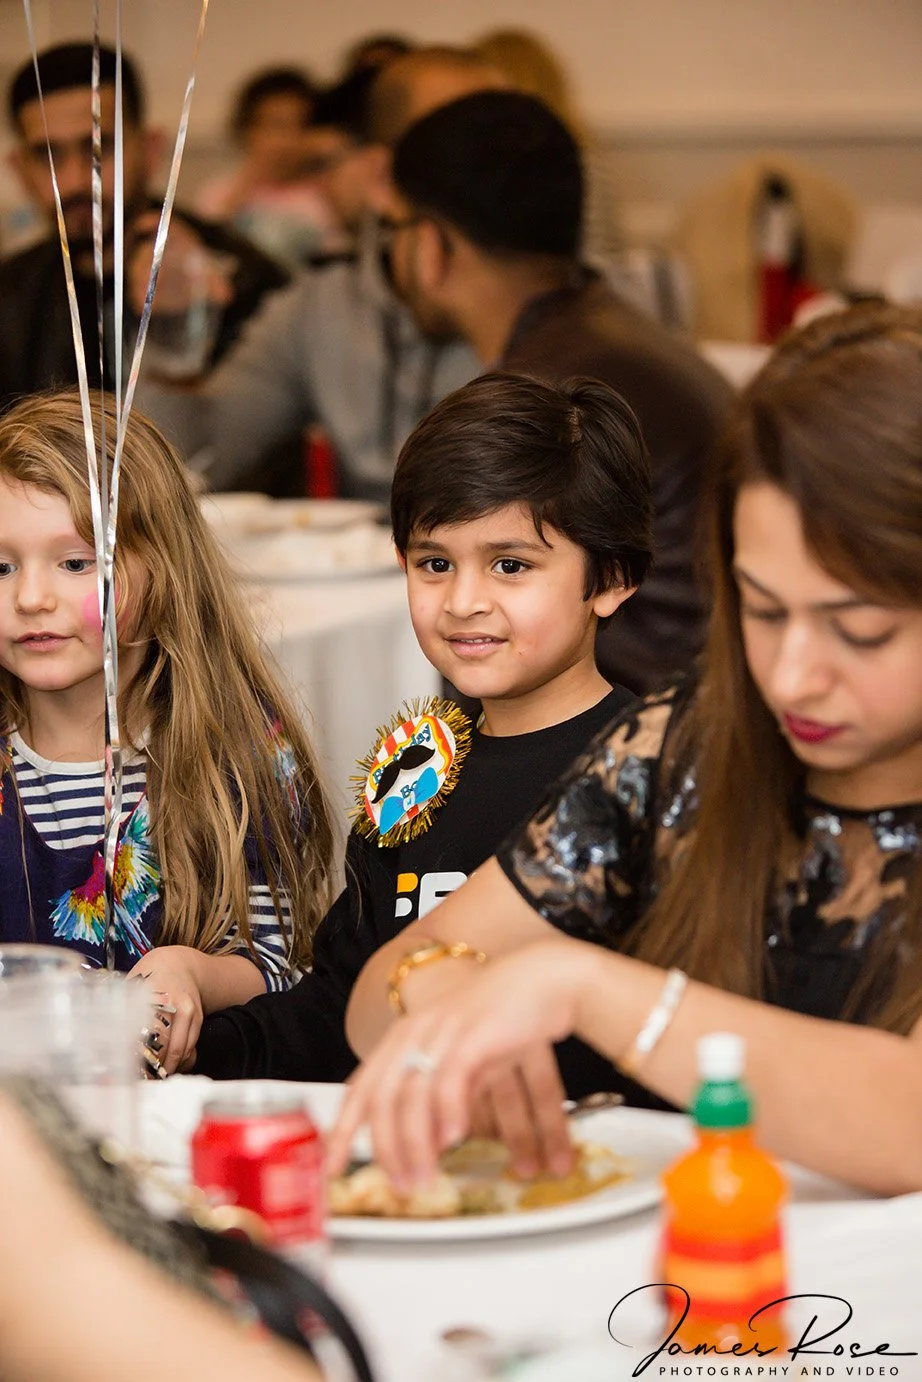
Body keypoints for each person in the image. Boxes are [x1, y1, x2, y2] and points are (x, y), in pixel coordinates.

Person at [329, 304, 922, 1198]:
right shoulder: (683, 748)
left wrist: (586, 990)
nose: (794, 677)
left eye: (860, 631)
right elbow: (380, 993)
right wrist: (450, 1005)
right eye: (763, 611)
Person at [192, 371, 652, 1084]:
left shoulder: (650, 772)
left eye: (510, 565)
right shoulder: (417, 767)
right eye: (435, 563)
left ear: (613, 577)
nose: (464, 601)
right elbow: (337, 1007)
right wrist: (190, 1048)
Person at [0, 391, 335, 1073]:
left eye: (75, 562)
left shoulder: (234, 752)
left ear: (163, 568)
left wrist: (191, 972)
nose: (30, 597)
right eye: (1, 566)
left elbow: (283, 963)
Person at [383, 89, 732, 692]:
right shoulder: (621, 335)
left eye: (393, 227)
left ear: (431, 245)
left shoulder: (548, 404)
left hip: (635, 726)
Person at [137, 47, 506, 501]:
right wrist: (171, 329)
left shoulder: (548, 303)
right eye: (469, 148)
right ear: (383, 177)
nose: (501, 174)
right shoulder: (320, 307)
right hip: (359, 566)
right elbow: (193, 460)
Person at [0, 43, 289, 414]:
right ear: (19, 169)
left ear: (150, 150)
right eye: (47, 155)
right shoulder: (10, 301)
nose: (74, 181)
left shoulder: (244, 281)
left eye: (98, 148)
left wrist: (189, 332)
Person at [195, 67, 344, 269]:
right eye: (275, 125)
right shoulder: (220, 192)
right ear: (247, 130)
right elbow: (205, 249)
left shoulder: (325, 193)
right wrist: (246, 183)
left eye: (300, 126)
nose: (287, 141)